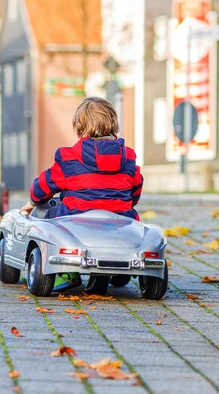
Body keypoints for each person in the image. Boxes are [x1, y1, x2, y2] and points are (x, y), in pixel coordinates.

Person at [20, 97, 143, 292]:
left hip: (75, 220)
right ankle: (119, 268)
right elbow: (135, 190)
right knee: (135, 222)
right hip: (120, 220)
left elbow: (45, 185)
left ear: (78, 127)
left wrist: (33, 201)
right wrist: (123, 204)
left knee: (49, 220)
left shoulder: (68, 157)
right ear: (114, 124)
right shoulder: (128, 157)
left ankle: (66, 273)